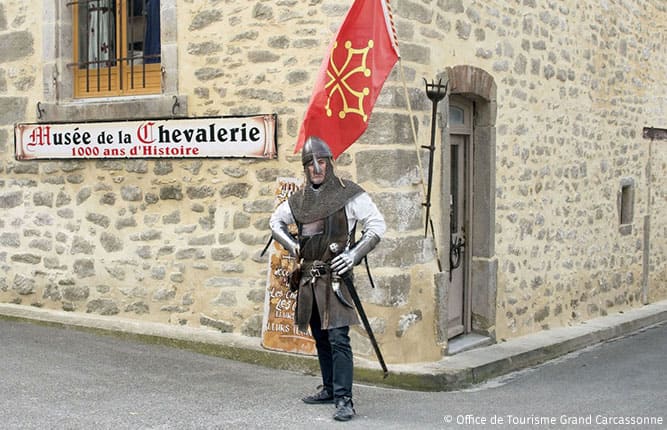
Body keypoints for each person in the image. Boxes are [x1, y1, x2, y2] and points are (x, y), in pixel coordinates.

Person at [269, 136, 386, 422]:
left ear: (329, 163)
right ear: (306, 168)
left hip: (336, 278)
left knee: (338, 338)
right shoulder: (299, 200)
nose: (317, 168)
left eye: (321, 162)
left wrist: (355, 254)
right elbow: (275, 222)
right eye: (311, 164)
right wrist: (294, 245)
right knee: (321, 337)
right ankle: (330, 390)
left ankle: (345, 399)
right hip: (310, 277)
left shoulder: (350, 195)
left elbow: (377, 225)